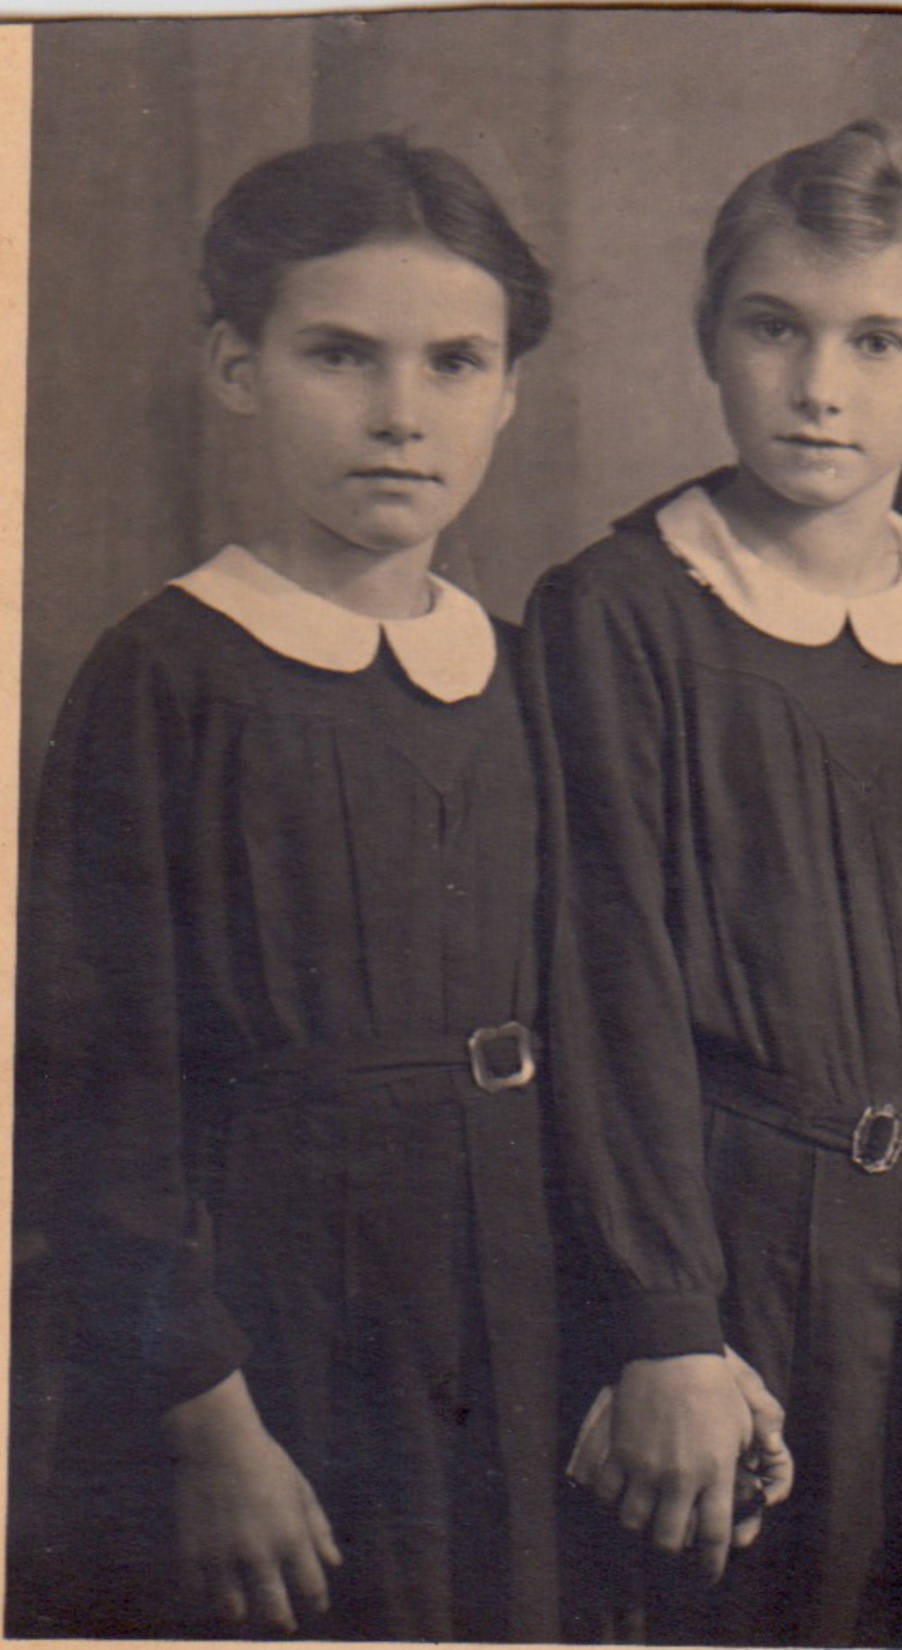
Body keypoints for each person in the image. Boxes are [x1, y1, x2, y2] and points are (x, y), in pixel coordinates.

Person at [526, 117, 902, 1645]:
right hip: (725, 1248)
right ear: (711, 337)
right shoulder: (621, 614)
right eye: (775, 328)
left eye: (877, 340)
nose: (821, 385)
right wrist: (665, 1323)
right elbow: (607, 979)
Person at [12, 136, 560, 1640]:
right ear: (235, 365)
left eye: (455, 362)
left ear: (510, 388)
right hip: (267, 1337)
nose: (400, 414)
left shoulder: (525, 672)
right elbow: (101, 1094)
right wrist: (210, 1421)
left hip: (503, 1316)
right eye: (340, 354)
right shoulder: (165, 678)